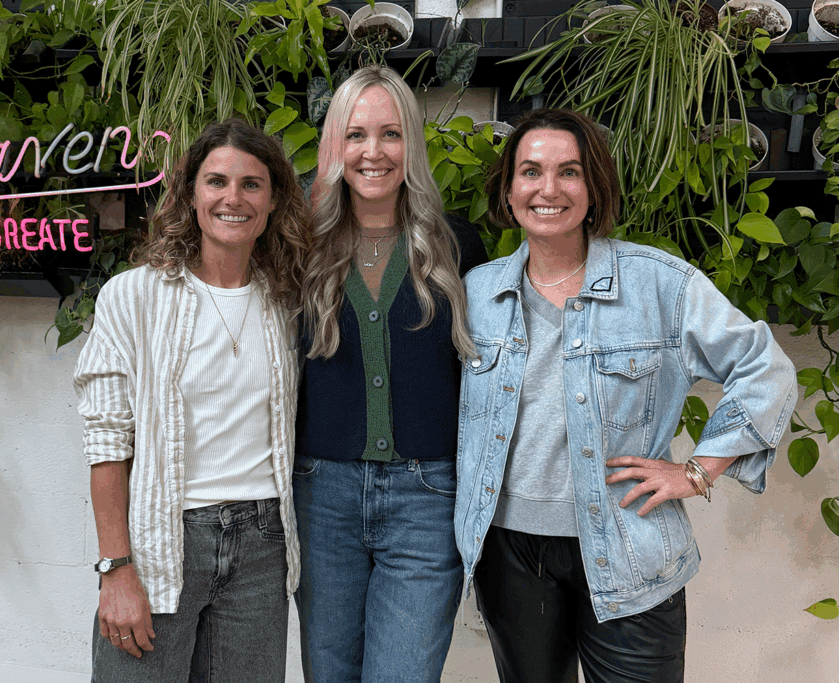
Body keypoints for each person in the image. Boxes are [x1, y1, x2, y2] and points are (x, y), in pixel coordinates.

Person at [455, 108, 797, 683]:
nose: (549, 189)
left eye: (570, 172)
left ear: (595, 186)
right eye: (530, 171)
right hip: (510, 556)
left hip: (630, 550)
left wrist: (697, 472)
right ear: (509, 188)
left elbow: (766, 367)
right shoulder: (477, 290)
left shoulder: (661, 284)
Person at [73, 119, 307, 683]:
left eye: (252, 184)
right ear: (191, 194)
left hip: (263, 544)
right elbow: (107, 439)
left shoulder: (288, 301)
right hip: (163, 541)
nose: (234, 198)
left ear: (273, 200)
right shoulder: (133, 296)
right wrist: (116, 569)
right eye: (217, 181)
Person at [293, 64, 488, 682]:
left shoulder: (459, 244)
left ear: (412, 144)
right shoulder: (296, 245)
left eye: (391, 133)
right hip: (321, 495)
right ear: (334, 145)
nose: (373, 152)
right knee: (329, 674)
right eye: (355, 134)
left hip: (427, 498)